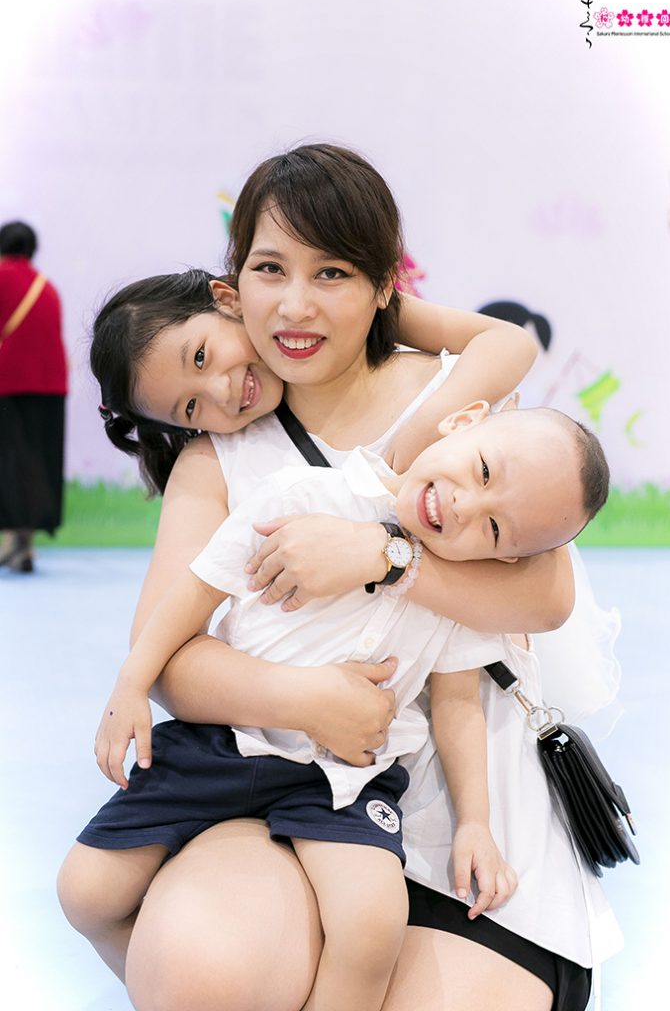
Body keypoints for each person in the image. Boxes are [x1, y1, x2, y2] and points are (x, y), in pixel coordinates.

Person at [59, 144, 622, 1011]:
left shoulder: (450, 402)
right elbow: (171, 661)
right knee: (193, 964)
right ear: (232, 285)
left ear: (382, 281)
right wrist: (313, 701)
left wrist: (382, 557)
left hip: (467, 813)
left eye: (332, 273)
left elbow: (543, 596)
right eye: (269, 270)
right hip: (296, 789)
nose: (295, 306)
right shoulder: (217, 459)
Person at [77, 400, 607, 1011]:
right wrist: (130, 684)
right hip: (222, 745)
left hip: (341, 778)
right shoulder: (306, 493)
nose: (465, 505)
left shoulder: (461, 595)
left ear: (507, 557)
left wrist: (474, 825)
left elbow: (458, 705)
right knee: (85, 891)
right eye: (483, 471)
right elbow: (197, 590)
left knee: (372, 922)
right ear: (463, 422)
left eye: (493, 528)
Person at [0, 221, 67, 572]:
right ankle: (24, 543)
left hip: (8, 384)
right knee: (37, 464)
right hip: (51, 388)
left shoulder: (1, 278)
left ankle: (12, 541)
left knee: (8, 463)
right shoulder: (47, 287)